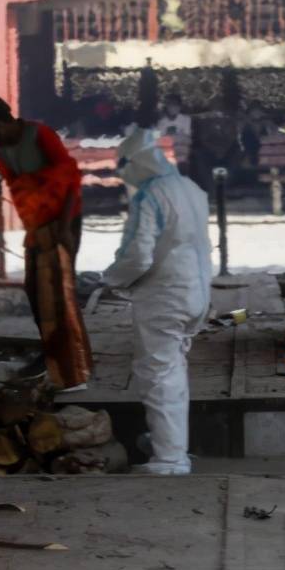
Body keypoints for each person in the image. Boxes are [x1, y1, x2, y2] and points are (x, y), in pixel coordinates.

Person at [0, 94, 93, 392]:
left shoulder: (41, 135)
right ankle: (54, 356)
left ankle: (72, 372)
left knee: (60, 292)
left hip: (65, 219)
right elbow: (17, 189)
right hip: (39, 224)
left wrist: (63, 229)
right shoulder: (0, 148)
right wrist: (33, 229)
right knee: (35, 290)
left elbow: (70, 178)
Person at [103, 129, 213, 475]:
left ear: (135, 163)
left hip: (164, 295)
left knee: (158, 375)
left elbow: (138, 256)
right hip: (196, 293)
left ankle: (170, 459)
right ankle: (169, 442)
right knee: (174, 371)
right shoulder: (191, 189)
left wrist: (111, 280)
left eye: (124, 168)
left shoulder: (150, 196)